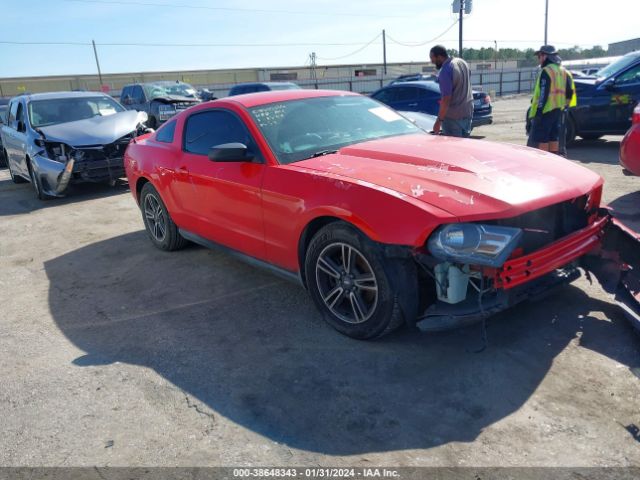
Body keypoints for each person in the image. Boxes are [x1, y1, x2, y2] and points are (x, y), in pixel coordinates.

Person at [528, 45, 576, 154]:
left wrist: (539, 113)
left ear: (545, 56)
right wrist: (565, 107)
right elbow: (570, 91)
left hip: (545, 111)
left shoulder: (547, 71)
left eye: (539, 56)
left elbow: (543, 95)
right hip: (558, 110)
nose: (539, 60)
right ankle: (553, 159)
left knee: (542, 138)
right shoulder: (564, 71)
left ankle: (543, 161)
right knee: (554, 136)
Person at [429, 45, 474, 137]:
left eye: (432, 58)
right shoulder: (462, 62)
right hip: (467, 112)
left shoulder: (445, 71)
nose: (432, 61)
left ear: (439, 57)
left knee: (454, 149)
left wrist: (438, 122)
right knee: (464, 147)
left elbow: (446, 99)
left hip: (453, 117)